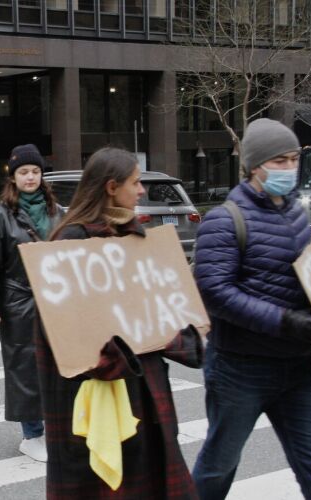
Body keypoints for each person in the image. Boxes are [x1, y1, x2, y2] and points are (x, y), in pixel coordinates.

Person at [37, 147, 202, 498]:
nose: (141, 190)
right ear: (112, 187)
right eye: (136, 182)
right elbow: (64, 337)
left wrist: (180, 327)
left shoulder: (135, 241)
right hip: (97, 398)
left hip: (145, 390)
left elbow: (156, 309)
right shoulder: (71, 243)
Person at [192, 118, 311, 499]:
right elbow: (216, 293)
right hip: (239, 370)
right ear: (255, 166)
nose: (289, 168)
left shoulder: (298, 215)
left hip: (299, 368)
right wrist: (286, 322)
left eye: (294, 159)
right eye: (279, 161)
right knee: (218, 467)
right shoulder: (223, 221)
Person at [0, 144, 63, 463]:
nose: (30, 177)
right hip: (18, 300)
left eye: (35, 171)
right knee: (25, 369)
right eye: (24, 172)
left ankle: (53, 429)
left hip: (55, 299)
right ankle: (31, 435)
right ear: (13, 177)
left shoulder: (57, 211)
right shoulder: (0, 215)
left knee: (57, 367)